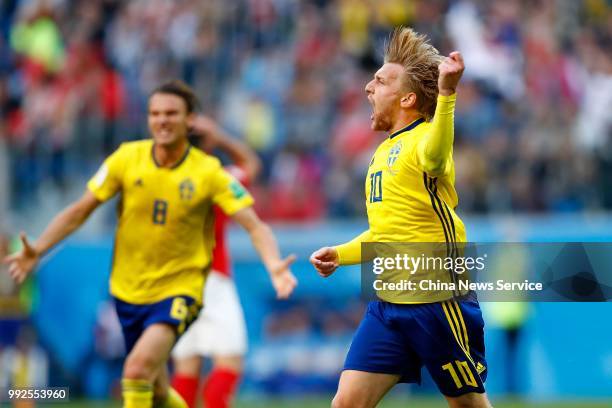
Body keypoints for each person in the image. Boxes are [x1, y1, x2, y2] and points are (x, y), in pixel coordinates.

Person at [3, 80, 297, 408]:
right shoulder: (131, 159)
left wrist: (273, 263)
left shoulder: (211, 174)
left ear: (188, 122)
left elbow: (254, 225)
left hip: (191, 285)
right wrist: (40, 248)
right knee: (159, 385)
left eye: (171, 114)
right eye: (155, 113)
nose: (162, 121)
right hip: (136, 289)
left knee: (140, 370)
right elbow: (80, 210)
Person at [310, 27, 492, 408]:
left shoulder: (425, 137)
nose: (367, 88)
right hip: (388, 303)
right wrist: (340, 255)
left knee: (468, 405)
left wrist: (446, 95)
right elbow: (387, 233)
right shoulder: (381, 153)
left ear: (407, 98)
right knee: (346, 403)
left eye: (380, 80)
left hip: (437, 302)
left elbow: (437, 157)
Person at [170, 115, 261, 408]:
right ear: (206, 144)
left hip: (176, 281)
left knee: (186, 365)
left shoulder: (165, 181)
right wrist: (220, 135)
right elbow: (252, 165)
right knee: (229, 360)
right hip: (213, 279)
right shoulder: (219, 178)